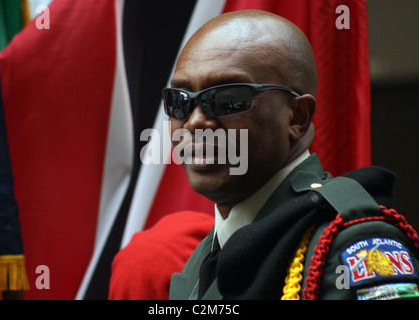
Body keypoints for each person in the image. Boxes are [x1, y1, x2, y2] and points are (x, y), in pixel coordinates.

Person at [163, 9, 419, 300]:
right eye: (179, 101)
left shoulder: (356, 244)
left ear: (297, 117)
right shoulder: (206, 254)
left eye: (228, 100)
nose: (195, 122)